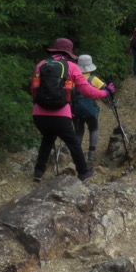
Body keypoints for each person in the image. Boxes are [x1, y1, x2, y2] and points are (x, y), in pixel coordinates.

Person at [32, 38, 115, 183]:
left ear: (54, 50)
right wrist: (106, 92)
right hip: (60, 115)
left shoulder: (40, 65)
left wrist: (39, 103)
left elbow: (34, 89)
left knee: (47, 138)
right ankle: (83, 172)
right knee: (73, 143)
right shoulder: (71, 66)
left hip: (39, 114)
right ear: (68, 53)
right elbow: (87, 90)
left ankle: (38, 171)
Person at [71, 54, 106, 162]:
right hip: (91, 110)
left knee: (78, 131)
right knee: (93, 128)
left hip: (76, 110)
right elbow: (104, 88)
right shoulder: (94, 79)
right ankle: (91, 153)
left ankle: (77, 154)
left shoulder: (73, 79)